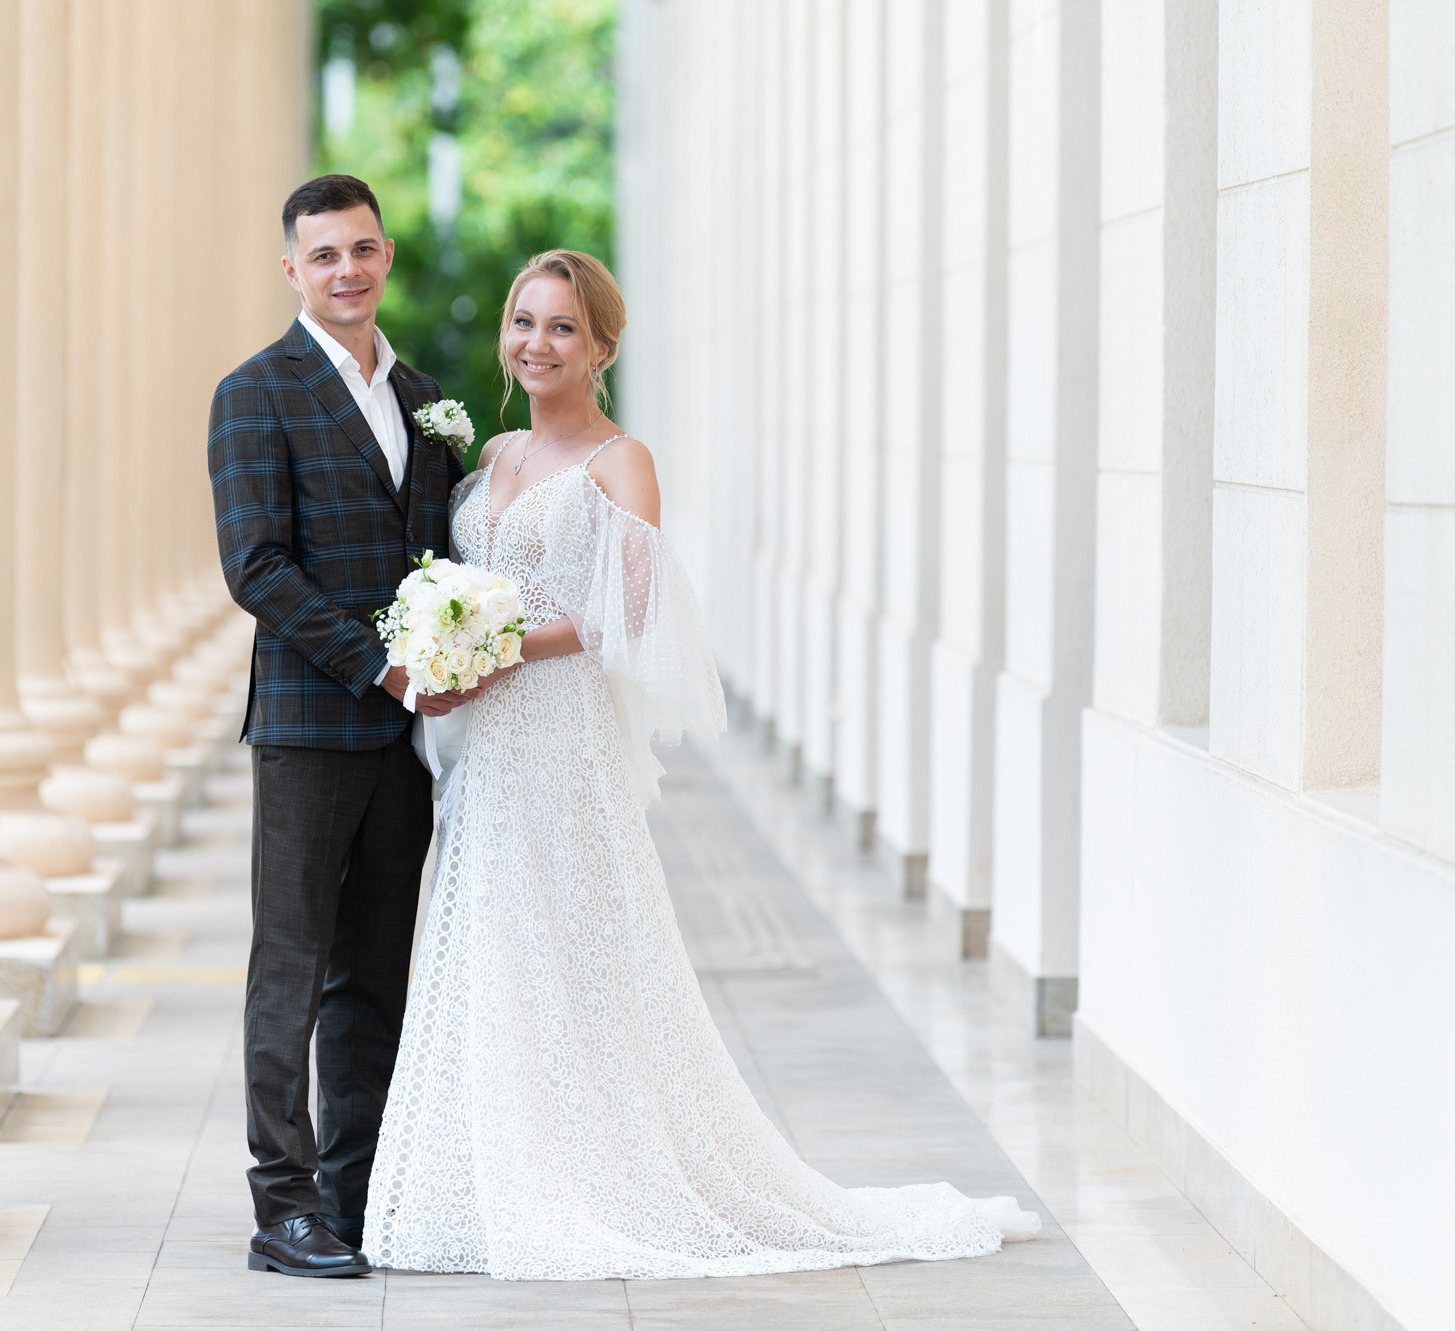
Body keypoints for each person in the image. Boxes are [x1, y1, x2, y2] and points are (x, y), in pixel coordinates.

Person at [364, 250, 1042, 1279]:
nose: (537, 343)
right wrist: (445, 641)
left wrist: (496, 644)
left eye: (562, 326)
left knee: (579, 944)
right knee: (495, 936)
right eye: (524, 321)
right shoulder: (492, 452)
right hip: (487, 746)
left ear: (601, 346)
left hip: (561, 735)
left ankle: (607, 1172)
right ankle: (501, 1166)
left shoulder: (619, 460)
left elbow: (627, 612)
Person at [209, 175, 467, 1278]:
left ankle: (356, 1197)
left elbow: (439, 555)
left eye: (361, 249)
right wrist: (383, 663)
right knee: (291, 966)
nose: (346, 270)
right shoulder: (253, 393)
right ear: (293, 270)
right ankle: (283, 1205)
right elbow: (256, 565)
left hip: (404, 741)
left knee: (374, 969)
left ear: (386, 254)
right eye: (324, 255)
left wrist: (458, 647)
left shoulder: (424, 397)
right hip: (312, 725)